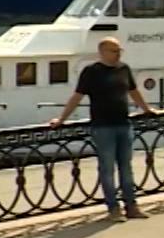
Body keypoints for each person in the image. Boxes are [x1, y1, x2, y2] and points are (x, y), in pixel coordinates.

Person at [50, 37, 155, 221]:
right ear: (102, 52)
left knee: (126, 167)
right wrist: (62, 119)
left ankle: (132, 206)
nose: (118, 54)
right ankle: (113, 208)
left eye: (119, 50)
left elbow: (133, 91)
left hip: (124, 124)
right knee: (107, 169)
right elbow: (77, 96)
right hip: (103, 127)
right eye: (114, 51)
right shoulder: (91, 72)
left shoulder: (124, 69)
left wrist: (146, 109)